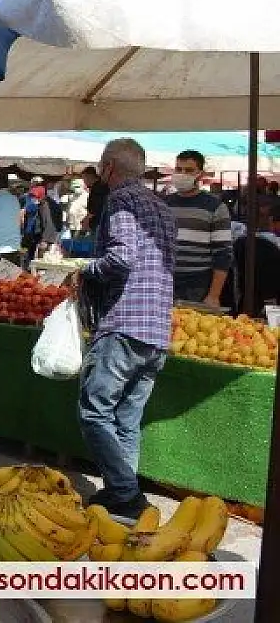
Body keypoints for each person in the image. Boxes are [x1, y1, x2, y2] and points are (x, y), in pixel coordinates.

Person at [75, 138, 176, 518]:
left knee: (94, 411)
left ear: (109, 168)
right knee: (127, 419)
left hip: (125, 323)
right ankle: (122, 496)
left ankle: (126, 493)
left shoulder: (121, 200)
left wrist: (85, 271)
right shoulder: (162, 207)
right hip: (157, 327)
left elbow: (121, 257)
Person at [165, 150, 233, 306]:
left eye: (189, 170)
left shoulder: (215, 207)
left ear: (200, 175)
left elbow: (223, 254)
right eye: (179, 169)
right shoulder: (163, 204)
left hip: (198, 286)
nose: (182, 174)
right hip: (165, 283)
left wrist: (214, 295)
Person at [82, 165, 109, 233]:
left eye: (84, 179)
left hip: (98, 224)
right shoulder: (101, 186)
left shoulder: (97, 188)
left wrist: (86, 220)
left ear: (89, 177)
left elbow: (94, 208)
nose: (84, 182)